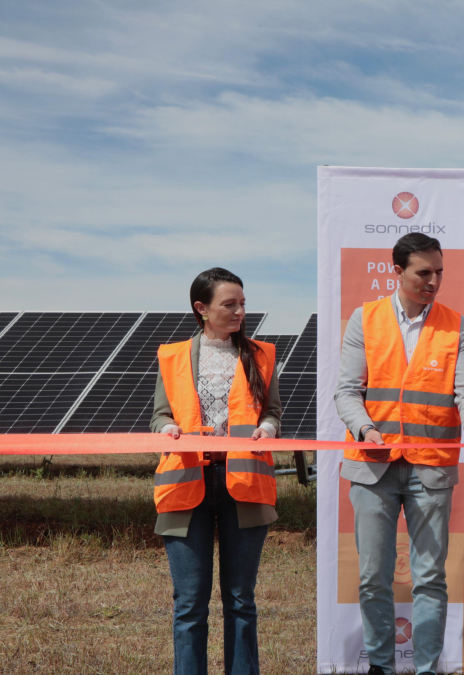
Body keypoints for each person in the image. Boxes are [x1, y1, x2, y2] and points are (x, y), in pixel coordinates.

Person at [335, 233, 464, 675]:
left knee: (429, 578)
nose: (434, 280)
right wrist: (365, 428)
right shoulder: (363, 319)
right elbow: (346, 392)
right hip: (373, 469)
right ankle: (381, 668)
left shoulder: (455, 325)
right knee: (373, 579)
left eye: (439, 272)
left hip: (432, 471)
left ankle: (427, 669)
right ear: (397, 271)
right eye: (424, 272)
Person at [151, 267, 282, 675]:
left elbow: (273, 412)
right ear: (201, 309)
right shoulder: (172, 356)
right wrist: (167, 428)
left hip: (244, 485)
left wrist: (268, 428)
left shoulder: (261, 355)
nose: (240, 311)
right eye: (230, 304)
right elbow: (159, 416)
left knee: (241, 600)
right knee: (189, 604)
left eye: (242, 303)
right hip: (187, 486)